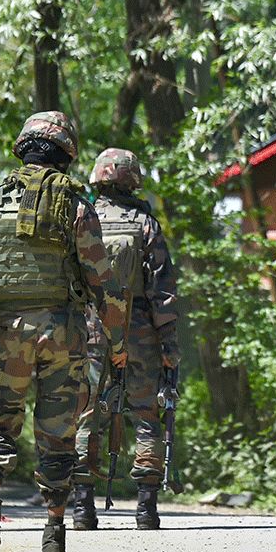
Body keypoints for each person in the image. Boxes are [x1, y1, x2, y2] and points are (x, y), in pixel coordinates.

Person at [0, 111, 128, 552]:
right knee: (58, 436)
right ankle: (53, 539)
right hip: (65, 333)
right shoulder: (79, 207)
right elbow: (104, 283)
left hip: (8, 332)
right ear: (67, 154)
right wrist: (119, 344)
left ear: (23, 149)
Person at [71, 148, 180, 531]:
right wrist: (169, 346)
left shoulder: (82, 219)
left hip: (92, 331)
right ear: (132, 179)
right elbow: (161, 292)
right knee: (147, 416)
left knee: (87, 415)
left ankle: (83, 509)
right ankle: (146, 510)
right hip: (140, 333)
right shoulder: (145, 224)